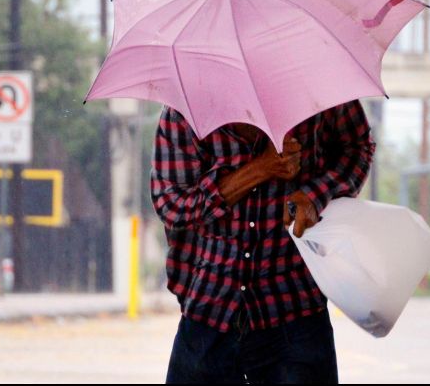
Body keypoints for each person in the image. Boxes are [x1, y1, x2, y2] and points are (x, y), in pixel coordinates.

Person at [151, 100, 376, 384]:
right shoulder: (184, 109)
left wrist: (315, 194)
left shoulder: (317, 94)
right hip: (210, 308)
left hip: (294, 307)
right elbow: (171, 204)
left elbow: (357, 147)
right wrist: (259, 169)